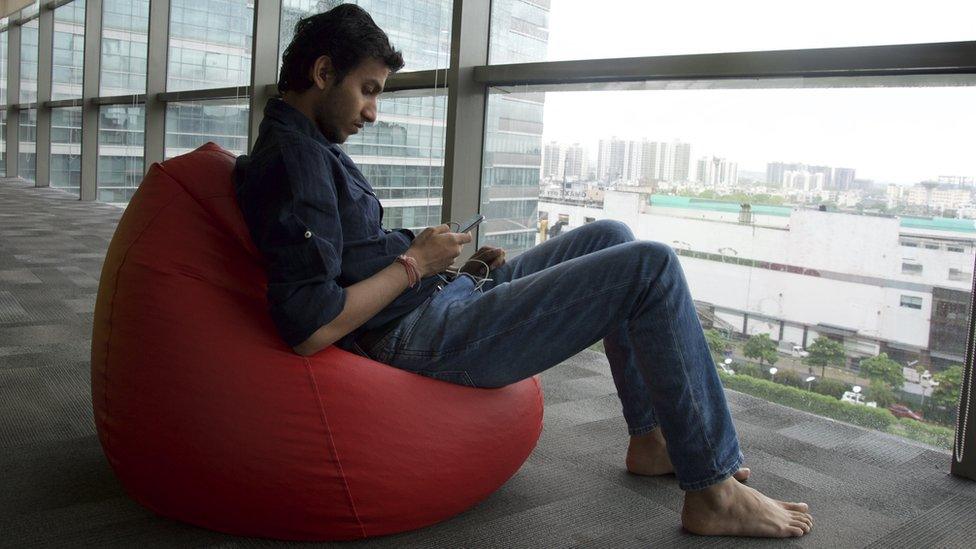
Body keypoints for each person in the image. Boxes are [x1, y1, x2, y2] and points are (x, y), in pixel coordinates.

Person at [233, 4, 813, 539]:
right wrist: (415, 266)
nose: (372, 112)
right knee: (650, 267)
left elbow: (348, 257)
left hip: (437, 300)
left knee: (611, 236)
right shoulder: (295, 166)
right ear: (323, 72)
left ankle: (652, 437)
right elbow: (310, 327)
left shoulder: (307, 140)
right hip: (415, 335)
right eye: (367, 91)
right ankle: (711, 492)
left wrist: (450, 269)